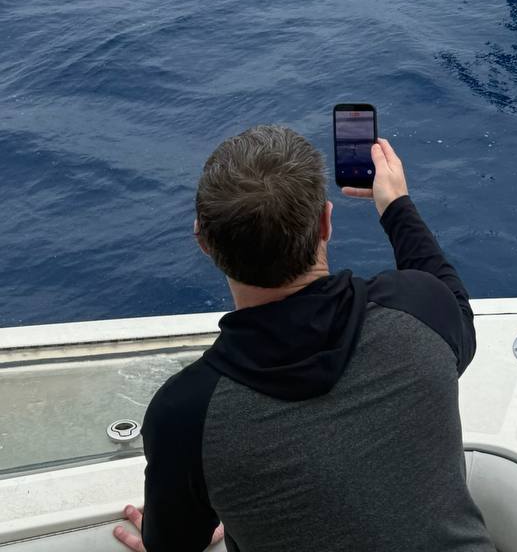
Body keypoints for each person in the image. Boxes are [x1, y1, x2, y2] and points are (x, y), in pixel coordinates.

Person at [113, 125, 495, 552]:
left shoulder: (185, 415)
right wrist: (395, 206)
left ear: (203, 241)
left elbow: (173, 546)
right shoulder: (421, 311)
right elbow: (451, 296)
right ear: (326, 223)